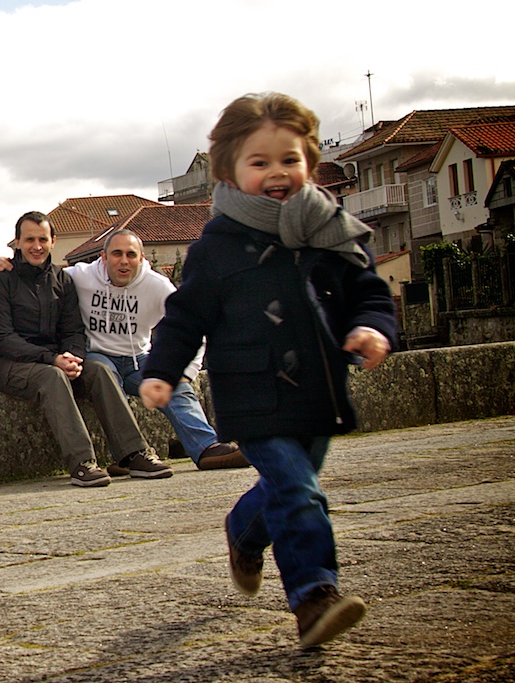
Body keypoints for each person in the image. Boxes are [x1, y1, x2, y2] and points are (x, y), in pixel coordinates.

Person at [139, 93, 397, 648]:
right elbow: (185, 317)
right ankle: (313, 597)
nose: (278, 173)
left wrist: (373, 328)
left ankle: (243, 531)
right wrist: (161, 371)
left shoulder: (331, 230)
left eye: (290, 159)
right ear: (229, 171)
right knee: (300, 491)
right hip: (251, 395)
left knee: (288, 486)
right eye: (260, 163)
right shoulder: (216, 245)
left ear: (310, 161)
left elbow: (370, 294)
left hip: (319, 385)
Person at [0, 228, 247, 474]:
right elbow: (41, 271)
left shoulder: (157, 286)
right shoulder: (81, 275)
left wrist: (187, 371)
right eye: (116, 254)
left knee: (175, 385)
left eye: (131, 255)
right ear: (103, 257)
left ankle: (207, 449)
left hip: (139, 360)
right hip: (97, 355)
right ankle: (128, 456)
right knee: (104, 375)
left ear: (141, 258)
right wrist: (3, 263)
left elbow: (191, 327)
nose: (124, 261)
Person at [0, 210, 156, 488]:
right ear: (17, 243)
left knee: (99, 369)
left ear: (53, 241)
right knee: (52, 376)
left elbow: (74, 330)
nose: (36, 246)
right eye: (29, 240)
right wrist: (52, 359)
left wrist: (72, 356)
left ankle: (133, 454)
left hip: (55, 359)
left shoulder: (62, 280)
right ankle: (82, 462)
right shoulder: (0, 281)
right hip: (7, 364)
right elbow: (2, 337)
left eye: (42, 239)